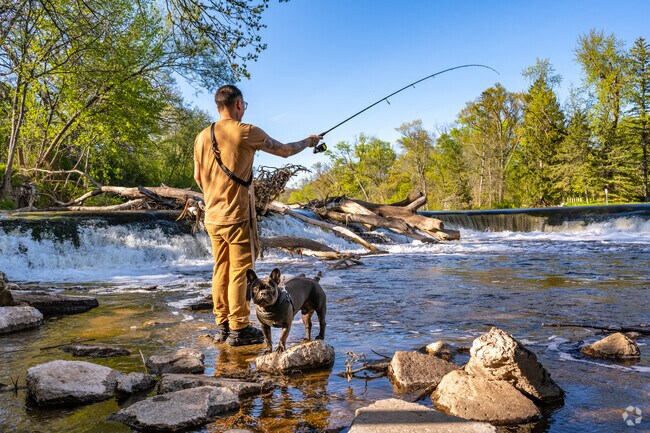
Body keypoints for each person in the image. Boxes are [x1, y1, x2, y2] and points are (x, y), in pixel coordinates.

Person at [193, 85, 321, 346]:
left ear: (218, 106)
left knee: (221, 269)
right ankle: (239, 328)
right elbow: (284, 150)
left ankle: (223, 325)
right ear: (238, 104)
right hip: (237, 215)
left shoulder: (201, 137)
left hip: (212, 216)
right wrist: (308, 142)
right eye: (244, 105)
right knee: (241, 272)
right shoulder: (246, 132)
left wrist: (215, 196)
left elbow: (197, 177)